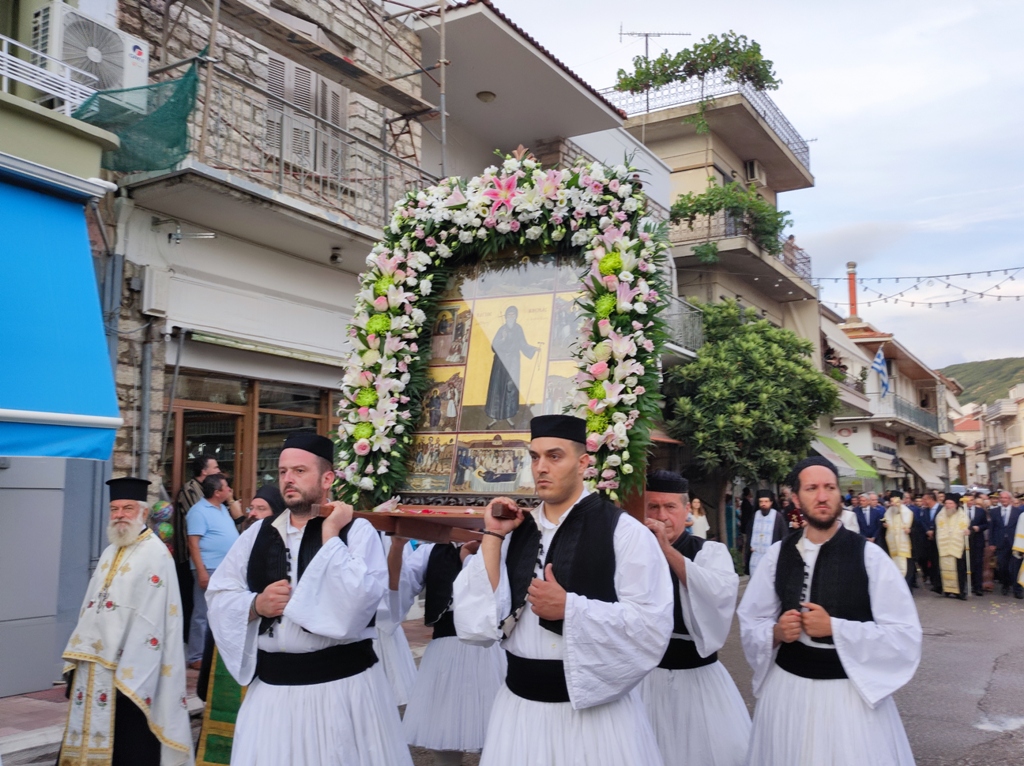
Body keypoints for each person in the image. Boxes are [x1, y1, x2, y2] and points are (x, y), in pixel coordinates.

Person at [452, 414, 673, 766]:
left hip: (594, 723)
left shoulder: (624, 532)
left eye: (554, 456)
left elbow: (652, 627)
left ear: (583, 463)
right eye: (534, 457)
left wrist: (571, 609)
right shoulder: (515, 531)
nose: (541, 467)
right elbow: (476, 625)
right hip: (519, 715)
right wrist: (492, 535)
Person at [206, 432, 412, 766]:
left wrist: (330, 534)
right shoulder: (257, 533)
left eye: (299, 471)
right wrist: (256, 605)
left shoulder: (356, 532)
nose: (288, 479)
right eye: (283, 471)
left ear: (327, 479)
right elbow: (219, 595)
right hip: (272, 697)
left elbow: (358, 606)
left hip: (342, 694)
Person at [736, 457, 921, 765]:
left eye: (830, 488)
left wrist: (835, 628)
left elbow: (903, 636)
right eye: (812, 488)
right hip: (786, 696)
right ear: (796, 499)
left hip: (849, 704)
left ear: (838, 494)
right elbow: (752, 619)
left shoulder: (870, 557)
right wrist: (776, 632)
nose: (822, 496)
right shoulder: (777, 555)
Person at [58, 477, 193, 766]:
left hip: (129, 671)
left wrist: (131, 668)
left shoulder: (156, 555)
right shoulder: (110, 551)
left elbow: (154, 620)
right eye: (114, 509)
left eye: (127, 508)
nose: (120, 515)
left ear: (143, 512)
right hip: (92, 666)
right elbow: (90, 607)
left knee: (129, 745)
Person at [641, 471, 750, 766]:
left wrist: (666, 551)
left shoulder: (709, 552)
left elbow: (718, 593)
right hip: (645, 681)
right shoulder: (632, 553)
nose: (661, 516)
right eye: (653, 507)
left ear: (687, 509)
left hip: (698, 680)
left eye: (670, 507)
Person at [389, 538, 505, 765]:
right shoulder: (430, 551)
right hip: (444, 649)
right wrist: (397, 547)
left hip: (488, 648)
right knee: (442, 728)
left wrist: (471, 555)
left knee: (495, 730)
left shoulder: (500, 545)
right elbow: (399, 590)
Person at [186, 473, 242, 668]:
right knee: (202, 613)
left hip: (224, 568)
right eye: (226, 488)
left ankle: (216, 653)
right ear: (217, 492)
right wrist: (201, 572)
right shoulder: (198, 511)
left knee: (222, 611)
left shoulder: (222, 508)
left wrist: (231, 501)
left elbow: (240, 518)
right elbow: (193, 543)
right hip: (209, 567)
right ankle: (196, 656)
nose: (230, 490)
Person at [174, 454, 220, 639]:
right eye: (215, 467)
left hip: (206, 559)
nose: (219, 471)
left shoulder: (209, 493)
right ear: (204, 471)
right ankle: (190, 643)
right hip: (189, 558)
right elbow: (201, 519)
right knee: (193, 605)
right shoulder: (190, 490)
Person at [485, 305, 539, 428]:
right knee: (497, 388)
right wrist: (503, 339)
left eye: (513, 314)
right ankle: (494, 416)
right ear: (505, 316)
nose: (511, 316)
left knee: (511, 387)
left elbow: (522, 344)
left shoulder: (518, 329)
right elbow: (494, 346)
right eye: (509, 314)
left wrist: (533, 349)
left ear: (516, 316)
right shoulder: (502, 329)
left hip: (513, 362)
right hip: (500, 363)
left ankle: (509, 416)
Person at [743, 490, 788, 576]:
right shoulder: (755, 515)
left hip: (771, 556)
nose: (763, 504)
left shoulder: (777, 517)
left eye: (766, 501)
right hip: (756, 555)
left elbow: (784, 536)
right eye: (761, 502)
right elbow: (749, 533)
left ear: (771, 502)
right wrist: (750, 547)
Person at [935, 496, 970, 599]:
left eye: (950, 504)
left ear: (956, 504)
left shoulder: (962, 515)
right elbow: (939, 528)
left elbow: (966, 527)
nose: (948, 506)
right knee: (944, 568)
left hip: (957, 546)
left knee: (959, 569)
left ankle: (960, 592)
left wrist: (967, 531)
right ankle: (947, 590)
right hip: (945, 545)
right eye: (946, 503)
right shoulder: (940, 515)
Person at [881, 491, 915, 588]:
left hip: (906, 547)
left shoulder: (908, 513)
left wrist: (910, 530)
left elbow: (916, 529)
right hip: (893, 548)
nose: (893, 504)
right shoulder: (888, 513)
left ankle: (907, 588)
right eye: (891, 502)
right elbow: (883, 529)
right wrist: (884, 526)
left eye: (895, 502)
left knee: (907, 569)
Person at [990, 491, 1021, 595]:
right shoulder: (994, 511)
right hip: (1000, 543)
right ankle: (1005, 585)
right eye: (1002, 498)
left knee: (1015, 567)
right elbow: (992, 528)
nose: (1003, 500)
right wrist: (992, 543)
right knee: (1003, 566)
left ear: (1010, 499)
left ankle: (1017, 589)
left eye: (1006, 498)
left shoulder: (1017, 512)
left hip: (1015, 543)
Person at [966, 493, 989, 595]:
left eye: (971, 500)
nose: (969, 502)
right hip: (965, 542)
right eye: (967, 500)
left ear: (974, 500)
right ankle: (969, 585)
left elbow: (986, 524)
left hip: (977, 541)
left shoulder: (980, 511)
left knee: (978, 564)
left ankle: (978, 587)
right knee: (967, 564)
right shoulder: (961, 511)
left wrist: (979, 528)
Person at [1009, 503, 1024, 599]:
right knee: (1018, 570)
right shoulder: (1023, 516)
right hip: (1022, 548)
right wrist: (1021, 549)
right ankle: (1017, 590)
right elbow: (1021, 531)